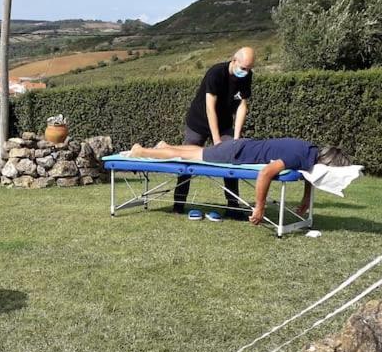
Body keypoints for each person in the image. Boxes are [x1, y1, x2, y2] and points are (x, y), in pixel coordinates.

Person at [129, 137, 350, 226]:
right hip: (236, 154)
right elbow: (265, 173)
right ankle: (142, 151)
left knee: (200, 152)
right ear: (326, 163)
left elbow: (310, 175)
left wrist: (306, 197)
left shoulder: (310, 150)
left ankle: (163, 145)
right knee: (188, 156)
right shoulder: (301, 157)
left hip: (240, 146)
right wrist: (259, 208)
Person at [174, 47, 255, 218]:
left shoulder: (247, 76)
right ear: (234, 60)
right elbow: (210, 108)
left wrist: (235, 139)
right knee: (186, 161)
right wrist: (217, 141)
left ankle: (233, 206)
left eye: (249, 69)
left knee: (231, 159)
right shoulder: (216, 73)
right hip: (199, 122)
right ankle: (179, 203)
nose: (246, 72)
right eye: (243, 68)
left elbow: (242, 106)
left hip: (224, 123)